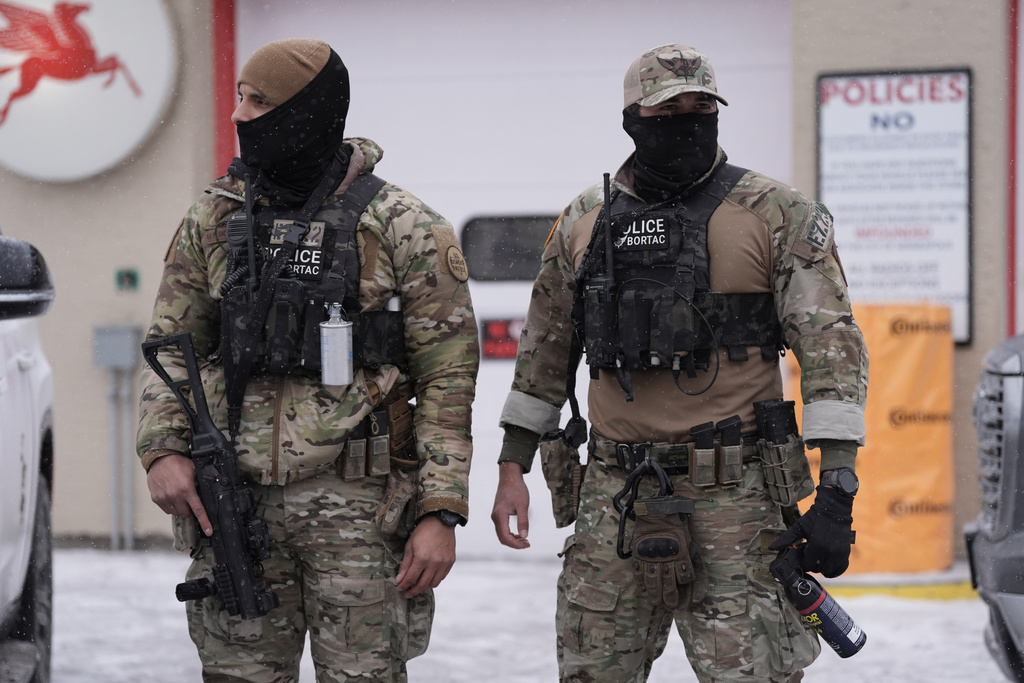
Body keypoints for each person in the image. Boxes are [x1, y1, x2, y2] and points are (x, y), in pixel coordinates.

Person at [491, 43, 868, 682]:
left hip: (739, 496)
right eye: (667, 110)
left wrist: (838, 488)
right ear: (632, 119)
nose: (686, 121)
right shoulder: (585, 219)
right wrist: (512, 464)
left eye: (701, 106)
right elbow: (545, 351)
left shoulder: (776, 213)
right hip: (616, 492)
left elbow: (831, 351)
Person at [137, 38, 478, 682]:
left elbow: (448, 378)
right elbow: (170, 345)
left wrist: (441, 510)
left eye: (260, 101)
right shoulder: (214, 217)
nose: (240, 115)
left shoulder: (401, 224)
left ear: (308, 112)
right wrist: (162, 448)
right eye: (238, 96)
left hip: (362, 513)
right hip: (233, 505)